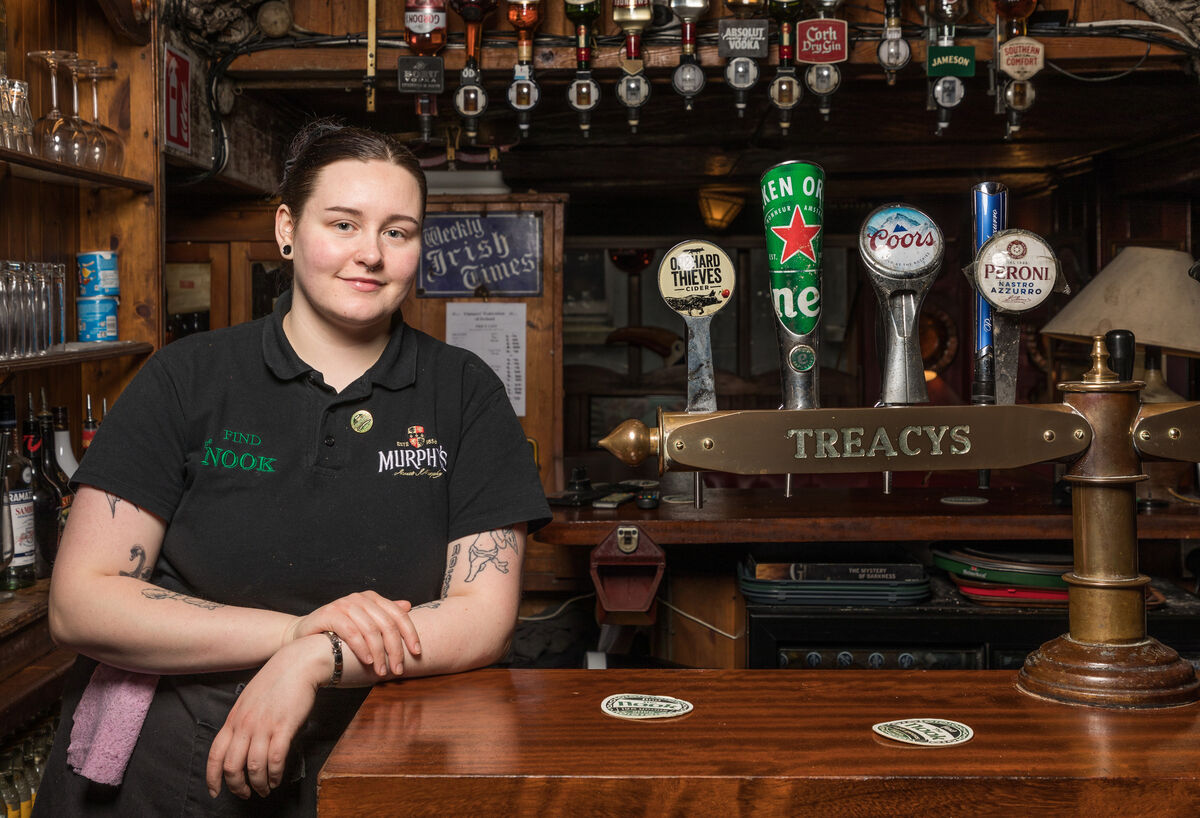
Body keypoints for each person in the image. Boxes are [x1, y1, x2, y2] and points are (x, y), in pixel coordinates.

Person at [35, 120, 551, 815]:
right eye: (343, 224)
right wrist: (288, 635)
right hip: (173, 764)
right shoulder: (188, 378)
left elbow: (483, 618)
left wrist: (315, 659)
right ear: (287, 228)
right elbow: (79, 604)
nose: (370, 253)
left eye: (398, 232)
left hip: (387, 755)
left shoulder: (464, 393)